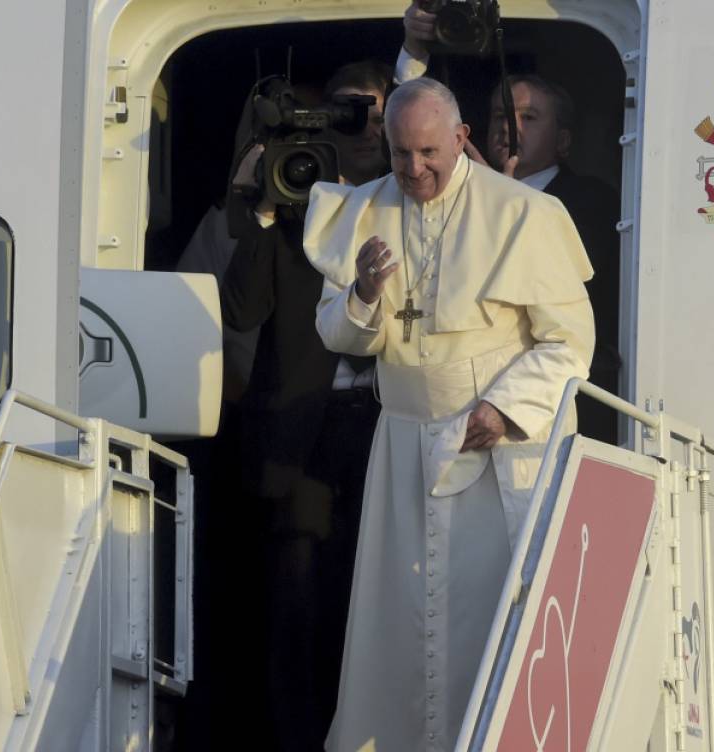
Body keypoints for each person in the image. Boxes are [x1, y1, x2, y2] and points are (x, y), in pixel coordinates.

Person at [304, 77, 594, 751]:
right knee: (398, 630)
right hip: (402, 447)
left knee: (484, 626)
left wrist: (502, 407)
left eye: (430, 152)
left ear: (462, 138)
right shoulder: (364, 211)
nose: (415, 170)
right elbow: (340, 338)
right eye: (401, 154)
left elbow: (569, 343)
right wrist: (365, 292)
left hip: (495, 452)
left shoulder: (521, 213)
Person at [220, 60, 391, 751]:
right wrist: (261, 207)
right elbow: (241, 308)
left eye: (377, 112)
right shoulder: (296, 196)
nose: (364, 126)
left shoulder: (411, 202)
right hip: (300, 433)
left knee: (375, 600)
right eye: (349, 109)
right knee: (295, 607)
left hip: (387, 426)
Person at [395, 1, 623, 441]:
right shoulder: (456, 193)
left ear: (563, 140)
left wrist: (506, 198)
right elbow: (409, 142)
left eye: (528, 118)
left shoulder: (591, 201)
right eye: (501, 116)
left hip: (544, 417)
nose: (509, 128)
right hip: (454, 415)